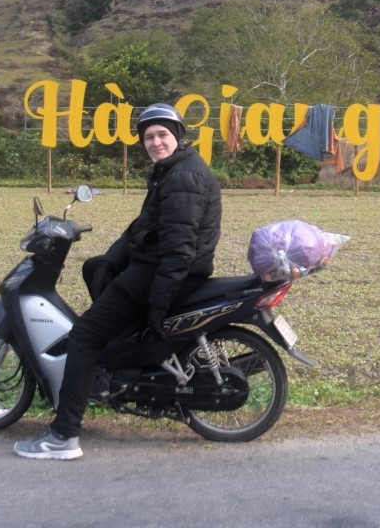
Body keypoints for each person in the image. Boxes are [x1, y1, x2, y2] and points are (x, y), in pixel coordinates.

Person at [14, 102, 223, 460]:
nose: (156, 142)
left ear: (177, 136)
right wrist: (110, 260)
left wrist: (159, 302)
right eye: (149, 137)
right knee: (95, 269)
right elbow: (142, 227)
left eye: (162, 135)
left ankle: (63, 437)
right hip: (156, 267)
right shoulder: (171, 170)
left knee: (84, 336)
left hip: (163, 273)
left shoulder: (183, 177)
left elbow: (178, 249)